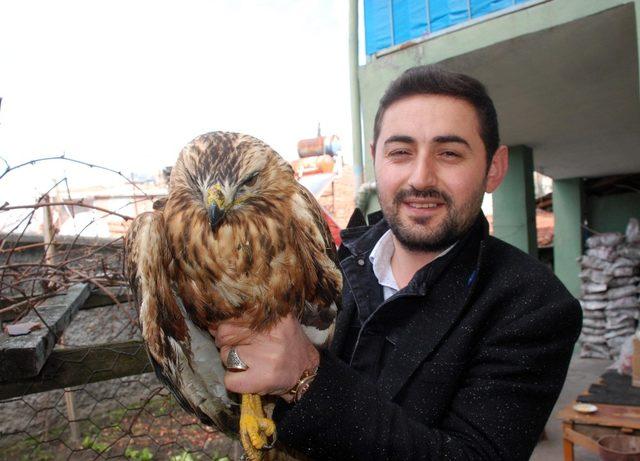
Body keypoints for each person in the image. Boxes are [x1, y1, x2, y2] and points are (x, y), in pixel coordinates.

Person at [212, 65, 582, 460]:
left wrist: (307, 379)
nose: (421, 178)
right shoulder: (321, 265)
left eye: (450, 153)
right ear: (376, 159)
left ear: (494, 168)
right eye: (400, 152)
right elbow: (237, 375)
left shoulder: (532, 306)